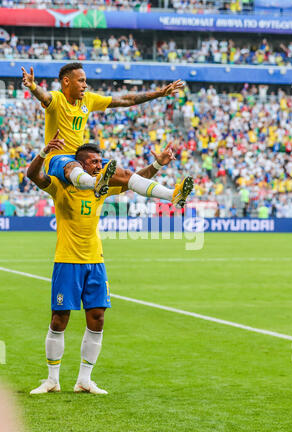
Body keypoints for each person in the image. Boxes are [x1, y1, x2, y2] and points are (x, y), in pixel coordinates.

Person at [27, 132, 178, 395]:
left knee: (97, 319)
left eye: (100, 162)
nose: (100, 165)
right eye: (95, 162)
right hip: (67, 260)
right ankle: (52, 379)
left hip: (95, 261)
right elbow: (33, 176)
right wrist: (43, 153)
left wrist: (158, 165)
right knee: (59, 319)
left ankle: (84, 380)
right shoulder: (60, 185)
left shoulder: (101, 187)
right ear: (82, 164)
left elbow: (132, 181)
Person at [21, 63, 191, 207]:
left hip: (80, 157)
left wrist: (159, 93)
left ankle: (172, 195)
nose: (85, 85)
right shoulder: (56, 99)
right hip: (58, 159)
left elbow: (127, 100)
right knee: (73, 167)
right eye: (81, 81)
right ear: (66, 81)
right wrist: (33, 86)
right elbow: (44, 96)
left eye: (85, 81)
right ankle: (96, 183)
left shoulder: (88, 99)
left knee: (124, 174)